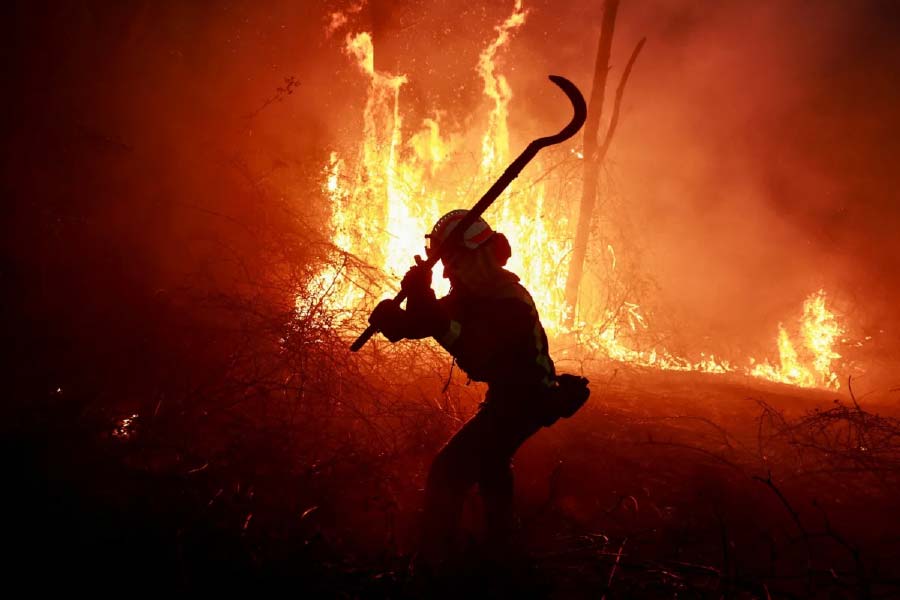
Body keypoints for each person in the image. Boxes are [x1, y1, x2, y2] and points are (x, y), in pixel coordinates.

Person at [368, 210, 589, 568]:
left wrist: (425, 302)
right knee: (491, 464)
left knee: (447, 473)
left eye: (451, 261)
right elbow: (428, 320)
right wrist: (396, 317)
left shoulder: (507, 302)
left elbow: (476, 356)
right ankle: (501, 554)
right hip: (509, 399)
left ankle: (436, 571)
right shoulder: (476, 292)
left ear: (477, 256)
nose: (446, 272)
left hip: (527, 401)